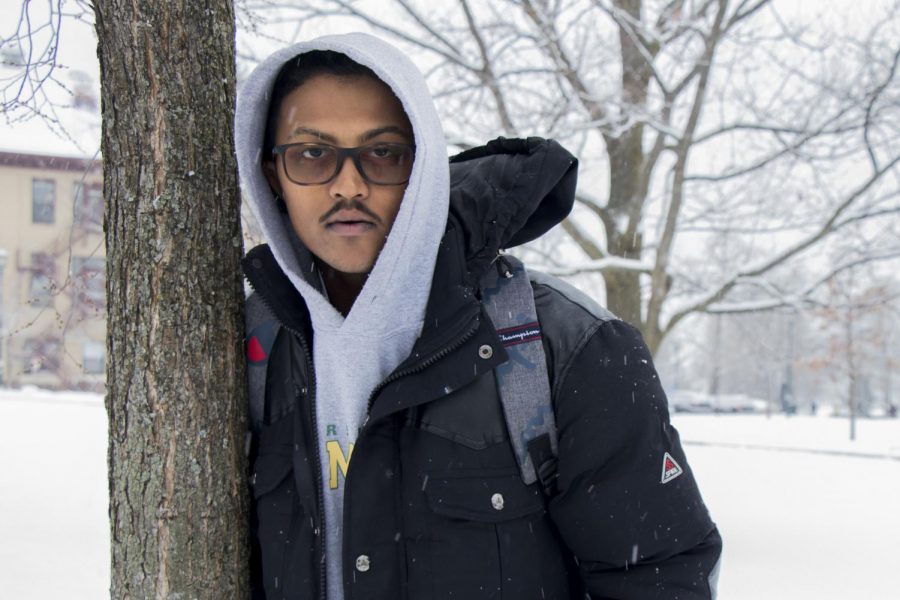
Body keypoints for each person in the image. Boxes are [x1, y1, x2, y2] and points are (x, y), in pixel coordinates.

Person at [235, 33, 722, 600]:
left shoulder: (568, 348)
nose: (349, 185)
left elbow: (658, 581)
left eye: (383, 152)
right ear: (271, 173)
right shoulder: (257, 346)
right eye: (313, 153)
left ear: (423, 170)